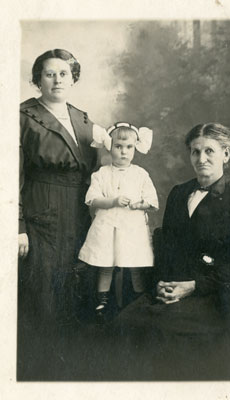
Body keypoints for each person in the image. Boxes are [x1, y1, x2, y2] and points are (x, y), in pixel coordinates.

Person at [100, 122, 230, 380]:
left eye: (209, 151)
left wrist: (194, 286)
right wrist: (160, 285)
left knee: (164, 334)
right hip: (171, 289)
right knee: (122, 324)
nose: (201, 159)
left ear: (226, 155)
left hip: (215, 296)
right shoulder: (179, 193)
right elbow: (166, 249)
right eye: (195, 152)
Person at [18, 49, 99, 332]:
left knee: (76, 286)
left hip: (78, 212)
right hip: (41, 211)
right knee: (43, 292)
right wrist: (18, 227)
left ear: (73, 78)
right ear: (38, 80)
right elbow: (11, 178)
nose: (57, 80)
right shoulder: (22, 116)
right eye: (49, 74)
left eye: (63, 74)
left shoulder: (83, 119)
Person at [78, 122, 158, 318]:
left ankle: (139, 299)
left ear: (135, 148)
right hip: (108, 226)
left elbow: (152, 200)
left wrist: (140, 204)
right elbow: (92, 199)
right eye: (118, 146)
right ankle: (102, 300)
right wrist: (113, 200)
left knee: (135, 263)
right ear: (109, 146)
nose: (124, 152)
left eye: (129, 147)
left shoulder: (140, 174)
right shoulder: (102, 174)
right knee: (106, 264)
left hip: (132, 228)